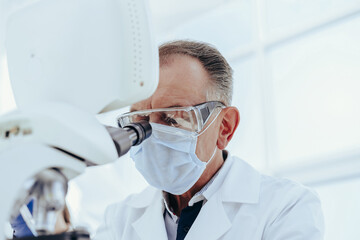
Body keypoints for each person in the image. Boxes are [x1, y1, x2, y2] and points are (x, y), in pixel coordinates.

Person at [95, 40, 324, 240]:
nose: (152, 134)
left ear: (224, 128)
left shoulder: (286, 207)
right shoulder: (118, 219)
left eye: (174, 118)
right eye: (141, 121)